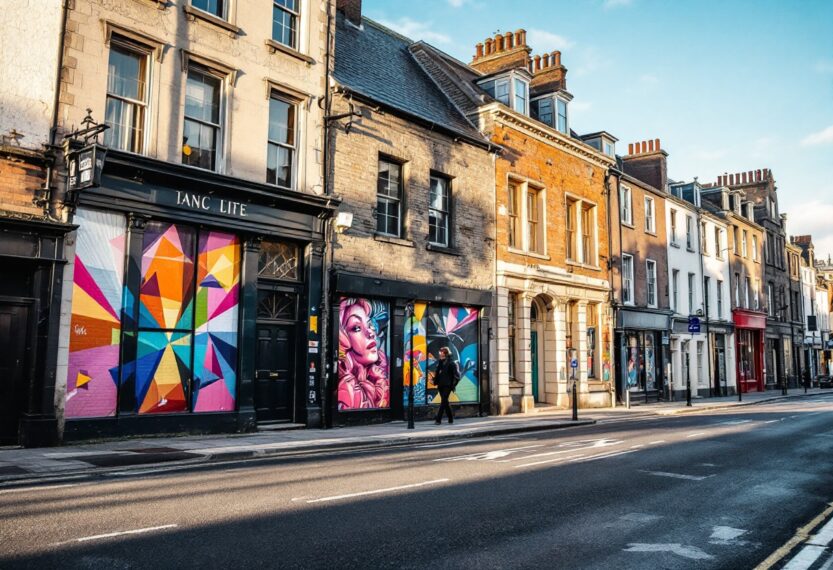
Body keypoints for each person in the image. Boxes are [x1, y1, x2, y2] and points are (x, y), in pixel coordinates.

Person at [337, 298, 390, 410]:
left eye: (369, 325)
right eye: (357, 328)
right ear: (343, 339)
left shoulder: (373, 376)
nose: (370, 333)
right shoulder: (348, 387)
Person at [433, 346, 460, 424]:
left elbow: (457, 376)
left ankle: (438, 420)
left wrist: (453, 385)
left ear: (445, 353)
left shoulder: (452, 363)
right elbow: (438, 373)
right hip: (441, 385)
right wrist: (435, 380)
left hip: (448, 386)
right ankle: (450, 418)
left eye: (441, 353)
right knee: (445, 402)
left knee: (443, 401)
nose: (439, 354)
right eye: (440, 352)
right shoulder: (440, 362)